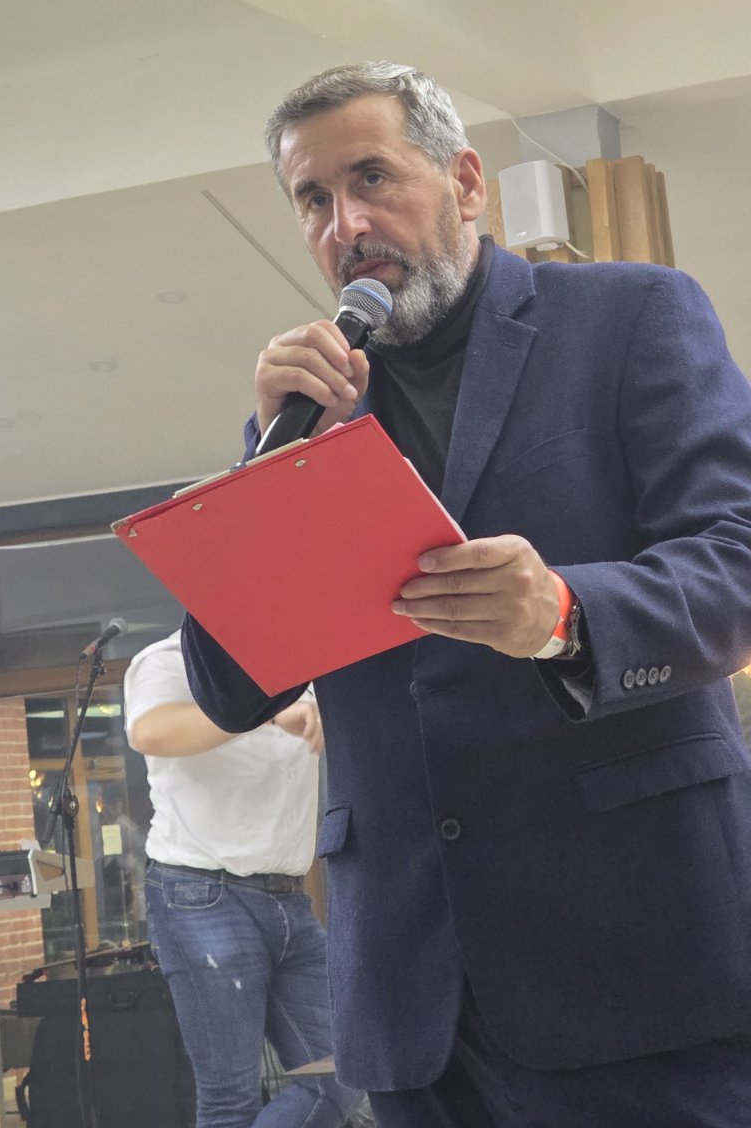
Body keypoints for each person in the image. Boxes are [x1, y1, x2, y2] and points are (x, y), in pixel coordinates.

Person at [181, 61, 751, 1128]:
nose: (348, 223)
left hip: (642, 955)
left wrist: (566, 615)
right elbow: (231, 688)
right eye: (313, 198)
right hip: (416, 1000)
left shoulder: (631, 317)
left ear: (468, 181)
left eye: (372, 177)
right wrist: (265, 465)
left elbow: (737, 557)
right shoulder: (308, 417)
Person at [124, 628, 370, 1128]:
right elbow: (150, 731)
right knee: (230, 1099)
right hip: (200, 893)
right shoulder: (170, 658)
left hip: (289, 896)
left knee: (346, 1071)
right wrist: (266, 712)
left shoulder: (301, 668)